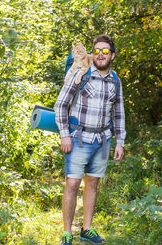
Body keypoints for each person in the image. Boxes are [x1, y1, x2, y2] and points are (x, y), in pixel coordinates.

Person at [54, 34, 126, 245]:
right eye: (97, 50)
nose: (100, 54)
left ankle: (86, 229)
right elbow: (61, 105)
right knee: (73, 184)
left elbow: (119, 112)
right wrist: (65, 134)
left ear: (112, 55)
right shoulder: (81, 73)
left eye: (105, 51)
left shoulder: (115, 80)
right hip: (78, 138)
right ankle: (67, 232)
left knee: (92, 183)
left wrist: (120, 141)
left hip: (103, 140)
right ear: (92, 53)